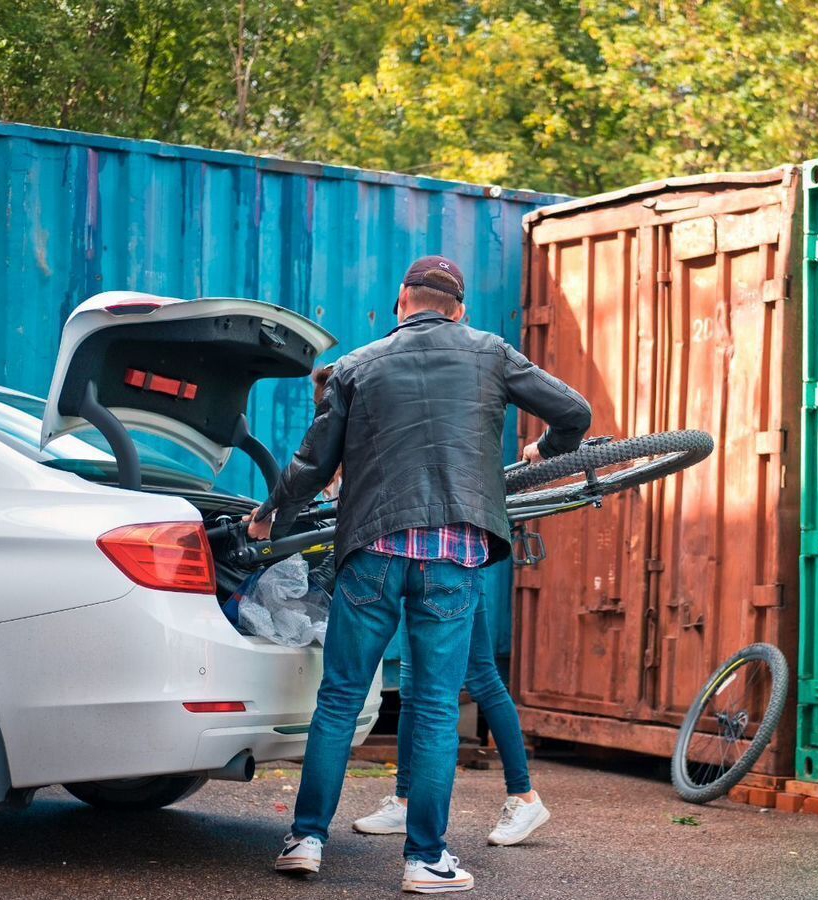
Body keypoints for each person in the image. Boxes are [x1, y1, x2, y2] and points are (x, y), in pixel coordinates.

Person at [247, 255, 591, 894]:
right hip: (452, 557)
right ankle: (425, 861)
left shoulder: (354, 366)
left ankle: (306, 839)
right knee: (435, 706)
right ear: (457, 308)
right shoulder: (491, 352)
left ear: (402, 301)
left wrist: (271, 516)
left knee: (340, 697)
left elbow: (313, 465)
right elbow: (574, 411)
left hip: (371, 552)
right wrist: (546, 450)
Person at [353, 602, 546, 846]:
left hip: (459, 572)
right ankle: (406, 802)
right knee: (412, 689)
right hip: (417, 572)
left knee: (482, 679)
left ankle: (524, 797)